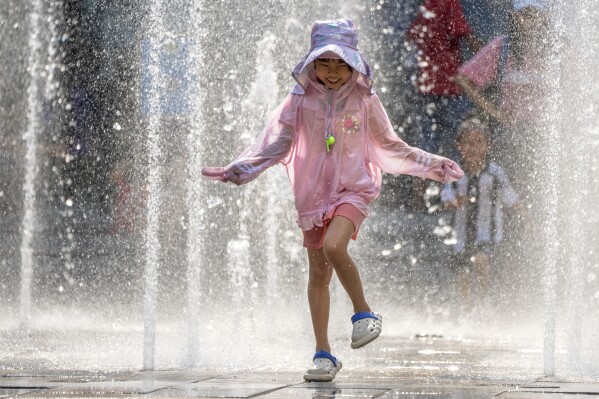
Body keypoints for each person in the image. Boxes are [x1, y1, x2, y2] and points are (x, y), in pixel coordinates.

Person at [201, 19, 464, 382]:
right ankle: (323, 354)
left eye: (342, 64)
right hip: (311, 199)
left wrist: (432, 165)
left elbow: (389, 146)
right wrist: (241, 169)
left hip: (352, 191)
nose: (333, 71)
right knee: (318, 276)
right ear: (311, 64)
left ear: (354, 65)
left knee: (334, 246)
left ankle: (364, 314)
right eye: (325, 63)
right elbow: (276, 144)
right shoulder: (298, 100)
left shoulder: (365, 100)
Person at [455, 0, 549, 190]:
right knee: (509, 186)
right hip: (511, 131)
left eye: (534, 15)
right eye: (525, 15)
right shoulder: (502, 48)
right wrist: (495, 112)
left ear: (543, 17)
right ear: (514, 16)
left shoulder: (554, 50)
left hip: (544, 131)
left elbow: (588, 77)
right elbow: (463, 78)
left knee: (541, 186)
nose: (529, 21)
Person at [441, 118, 519, 312]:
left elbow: (512, 199)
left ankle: (482, 304)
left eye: (478, 142)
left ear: (488, 145)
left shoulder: (495, 173)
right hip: (461, 235)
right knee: (463, 274)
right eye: (468, 142)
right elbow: (446, 199)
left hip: (487, 233)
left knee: (482, 260)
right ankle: (466, 310)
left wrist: (530, 220)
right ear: (459, 146)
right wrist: (456, 201)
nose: (473, 147)